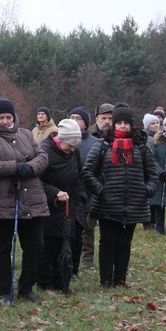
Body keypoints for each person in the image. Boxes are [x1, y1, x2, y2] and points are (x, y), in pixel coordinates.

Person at [0, 98, 49, 305]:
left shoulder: (26, 134)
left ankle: (26, 287)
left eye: (9, 117)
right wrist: (16, 167)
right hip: (3, 199)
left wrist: (30, 168)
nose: (6, 121)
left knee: (36, 245)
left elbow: (42, 156)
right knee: (2, 247)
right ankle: (4, 291)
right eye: (1, 117)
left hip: (31, 198)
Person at [82, 105, 158, 288]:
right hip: (107, 203)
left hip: (134, 203)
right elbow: (88, 172)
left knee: (125, 243)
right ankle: (106, 280)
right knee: (107, 242)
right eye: (119, 123)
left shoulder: (141, 147)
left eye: (126, 123)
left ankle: (121, 279)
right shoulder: (102, 145)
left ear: (132, 125)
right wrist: (102, 191)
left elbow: (153, 175)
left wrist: (146, 191)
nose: (122, 126)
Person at [38, 119, 85, 293]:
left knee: (65, 245)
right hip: (49, 207)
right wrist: (54, 192)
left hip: (69, 207)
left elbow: (78, 177)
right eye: (70, 145)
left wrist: (80, 199)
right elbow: (36, 181)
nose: (72, 150)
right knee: (48, 246)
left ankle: (61, 282)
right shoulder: (45, 152)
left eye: (75, 146)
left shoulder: (74, 153)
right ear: (61, 139)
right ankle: (44, 282)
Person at [81, 102, 114, 268]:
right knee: (88, 225)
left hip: (112, 185)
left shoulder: (120, 137)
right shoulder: (89, 136)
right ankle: (87, 257)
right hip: (91, 187)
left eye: (110, 118)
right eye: (104, 118)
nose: (107, 121)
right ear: (96, 119)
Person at [67, 107, 98, 276]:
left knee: (86, 228)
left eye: (79, 118)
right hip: (68, 193)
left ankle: (85, 258)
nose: (75, 121)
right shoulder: (60, 142)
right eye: (72, 118)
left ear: (86, 123)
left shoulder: (95, 143)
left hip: (88, 192)